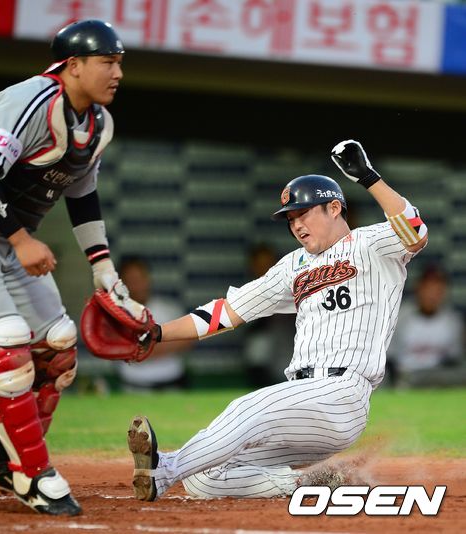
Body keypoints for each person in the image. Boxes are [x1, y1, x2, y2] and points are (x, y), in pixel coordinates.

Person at [0, 20, 146, 516]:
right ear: (73, 65)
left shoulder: (98, 124)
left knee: (58, 347)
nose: (118, 72)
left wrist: (102, 267)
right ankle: (32, 473)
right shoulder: (33, 100)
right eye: (108, 61)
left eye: (120, 62)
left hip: (7, 238)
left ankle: (3, 448)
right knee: (9, 340)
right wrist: (21, 240)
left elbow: (82, 195)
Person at [126, 139, 428, 501]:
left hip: (342, 394)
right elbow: (226, 312)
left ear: (334, 208)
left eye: (303, 213)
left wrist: (368, 177)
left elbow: (416, 232)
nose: (296, 224)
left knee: (245, 407)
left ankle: (164, 469)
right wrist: (157, 332)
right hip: (300, 401)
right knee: (204, 478)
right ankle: (310, 483)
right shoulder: (293, 265)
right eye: (290, 219)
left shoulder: (371, 244)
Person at [116, 256, 192, 392]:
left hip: (172, 388)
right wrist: (165, 342)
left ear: (148, 279)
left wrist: (145, 348)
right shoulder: (116, 313)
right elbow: (126, 350)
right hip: (133, 389)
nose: (137, 285)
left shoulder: (169, 308)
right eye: (132, 280)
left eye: (140, 278)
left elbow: (188, 339)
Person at [387, 265, 465, 387]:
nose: (432, 296)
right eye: (428, 290)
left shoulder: (453, 321)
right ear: (418, 289)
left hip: (439, 376)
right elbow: (389, 356)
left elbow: (455, 359)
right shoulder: (400, 316)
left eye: (437, 291)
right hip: (405, 375)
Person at [242, 244, 295, 387]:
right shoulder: (249, 290)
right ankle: (259, 389)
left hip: (293, 345)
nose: (264, 268)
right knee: (259, 343)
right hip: (269, 354)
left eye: (267, 264)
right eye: (259, 265)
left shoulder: (291, 283)